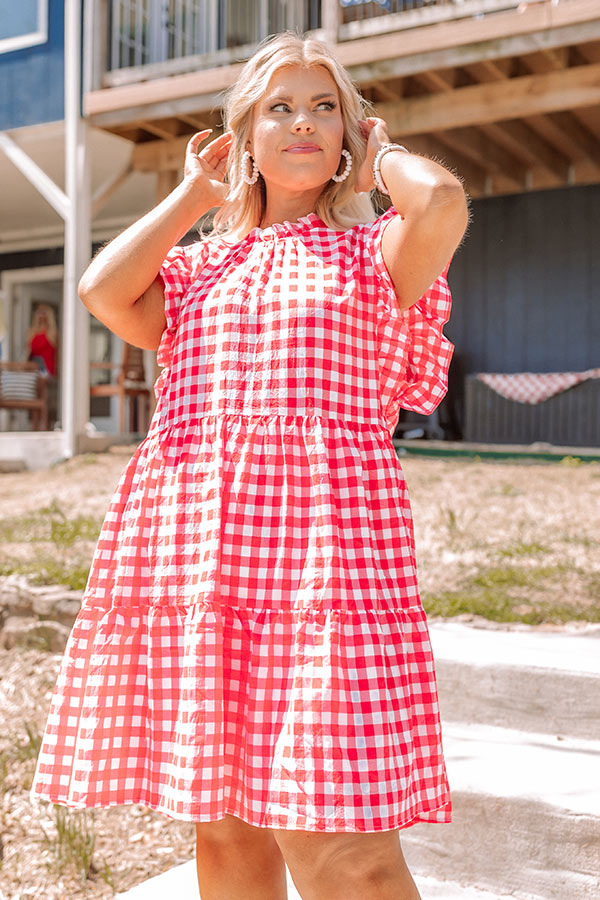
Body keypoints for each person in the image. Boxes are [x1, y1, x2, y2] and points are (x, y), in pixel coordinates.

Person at [30, 32, 470, 900]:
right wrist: (199, 187)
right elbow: (101, 290)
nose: (303, 123)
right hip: (208, 568)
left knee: (345, 849)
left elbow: (445, 200)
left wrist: (383, 160)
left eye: (325, 108)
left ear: (350, 133)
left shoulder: (373, 258)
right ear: (246, 136)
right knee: (226, 835)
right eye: (280, 107)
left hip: (321, 574)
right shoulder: (196, 272)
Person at [26, 303, 58, 377]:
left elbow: (57, 354)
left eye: (43, 312)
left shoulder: (52, 333)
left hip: (47, 368)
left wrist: (57, 370)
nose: (41, 315)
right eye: (39, 312)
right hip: (32, 366)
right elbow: (28, 351)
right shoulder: (32, 332)